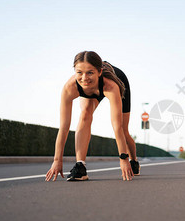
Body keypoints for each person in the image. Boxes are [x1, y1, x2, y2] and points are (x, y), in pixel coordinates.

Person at [45, 51, 140, 181]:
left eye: (90, 72)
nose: (84, 78)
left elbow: (116, 127)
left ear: (99, 72)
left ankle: (134, 160)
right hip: (91, 89)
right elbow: (64, 127)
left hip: (118, 81)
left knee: (123, 129)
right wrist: (57, 160)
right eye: (79, 72)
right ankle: (80, 166)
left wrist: (124, 159)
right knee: (85, 114)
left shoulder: (111, 86)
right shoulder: (69, 88)